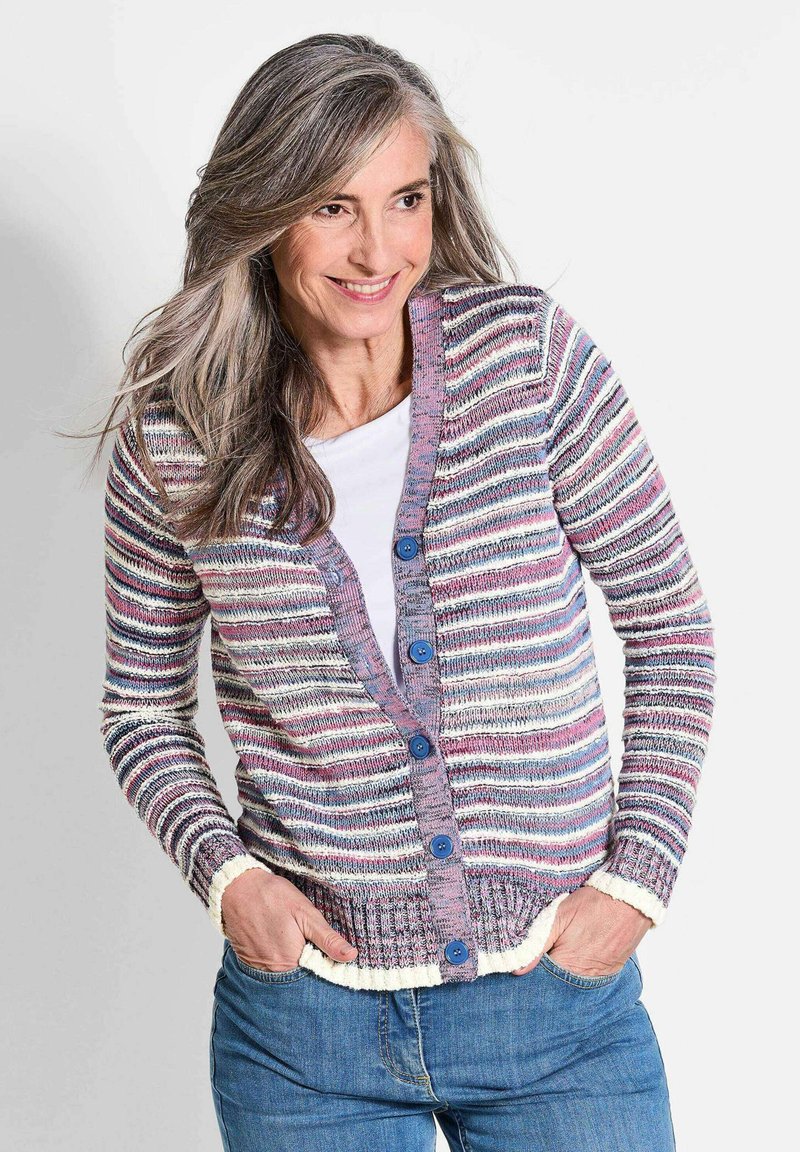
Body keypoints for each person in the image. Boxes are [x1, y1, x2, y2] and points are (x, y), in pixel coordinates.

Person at [93, 32, 716, 1152]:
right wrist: (230, 881)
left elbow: (670, 628)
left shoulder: (527, 363)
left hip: (557, 1012)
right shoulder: (178, 436)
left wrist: (636, 882)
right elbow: (140, 708)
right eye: (331, 207)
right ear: (263, 212)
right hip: (305, 1038)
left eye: (405, 200)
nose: (377, 249)